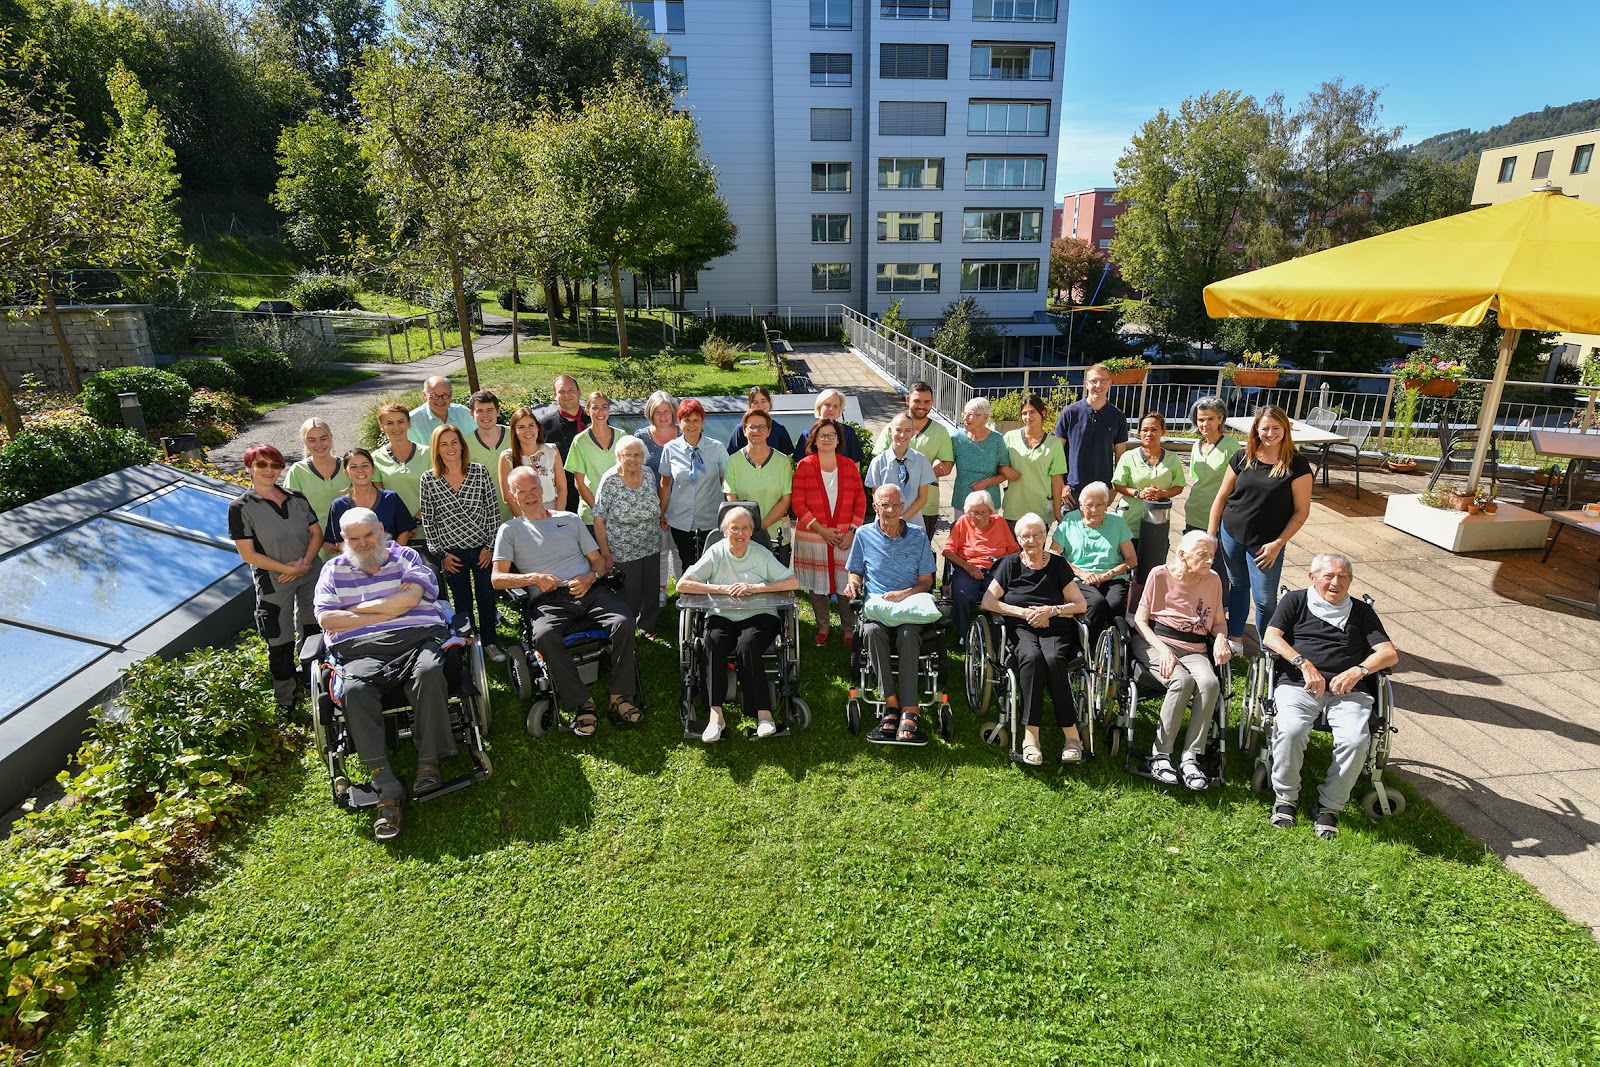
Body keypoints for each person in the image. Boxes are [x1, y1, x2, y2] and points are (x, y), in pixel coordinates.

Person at [314, 508, 453, 841]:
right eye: (353, 538)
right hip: (359, 650)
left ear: (381, 528)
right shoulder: (331, 570)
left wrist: (355, 611)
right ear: (342, 540)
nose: (363, 543)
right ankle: (386, 785)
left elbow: (409, 600)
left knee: (431, 670)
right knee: (353, 691)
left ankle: (428, 762)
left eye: (369, 535)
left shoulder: (406, 556)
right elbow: (327, 621)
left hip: (415, 637)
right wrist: (383, 609)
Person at [491, 470, 644, 736]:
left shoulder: (570, 519)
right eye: (522, 491)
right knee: (545, 636)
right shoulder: (510, 530)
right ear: (513, 496)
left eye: (533, 489)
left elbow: (597, 560)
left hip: (589, 590)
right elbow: (497, 578)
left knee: (624, 621)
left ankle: (619, 695)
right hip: (549, 599)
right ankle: (582, 703)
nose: (529, 496)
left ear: (543, 489)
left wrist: (590, 576)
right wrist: (533, 578)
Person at [1261, 552, 1399, 839]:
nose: (1335, 582)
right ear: (1313, 578)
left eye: (1343, 577)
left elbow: (1388, 653)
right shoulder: (1296, 601)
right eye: (1328, 576)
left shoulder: (1361, 612)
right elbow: (1271, 637)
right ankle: (1286, 798)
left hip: (1348, 691)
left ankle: (1329, 806)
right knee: (1290, 729)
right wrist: (1303, 664)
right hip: (1299, 683)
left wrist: (1358, 671)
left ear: (1350, 581)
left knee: (1355, 740)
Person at [676, 506, 801, 743]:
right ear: (725, 531)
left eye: (745, 528)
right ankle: (716, 716)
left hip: (759, 614)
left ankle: (764, 714)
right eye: (734, 528)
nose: (740, 533)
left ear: (752, 531)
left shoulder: (760, 554)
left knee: (748, 645)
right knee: (712, 642)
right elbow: (683, 584)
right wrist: (720, 589)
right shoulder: (715, 552)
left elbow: (791, 581)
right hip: (722, 613)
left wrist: (755, 588)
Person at [981, 513, 1090, 766]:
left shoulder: (1058, 565)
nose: (1031, 540)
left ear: (1045, 536)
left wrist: (1051, 610)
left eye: (1036, 535)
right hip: (1021, 627)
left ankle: (1071, 735)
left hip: (1055, 625)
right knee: (1031, 658)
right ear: (1018, 538)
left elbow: (1079, 603)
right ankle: (1031, 736)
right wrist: (1024, 613)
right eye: (1025, 536)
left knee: (1053, 659)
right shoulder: (1009, 564)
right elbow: (988, 601)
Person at [1128, 530, 1232, 791]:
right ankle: (1160, 755)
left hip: (1195, 647)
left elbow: (1218, 622)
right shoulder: (1160, 574)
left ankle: (1190, 757)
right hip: (1157, 641)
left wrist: (1220, 639)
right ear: (1183, 555)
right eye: (1203, 555)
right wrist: (1163, 650)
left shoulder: (1214, 579)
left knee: (1209, 684)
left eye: (1212, 555)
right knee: (1181, 681)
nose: (1209, 561)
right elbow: (1140, 620)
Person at [1207, 405, 1314, 655]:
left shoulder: (1297, 465)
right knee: (1237, 586)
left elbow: (1301, 512)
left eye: (1276, 428)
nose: (1270, 433)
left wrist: (1278, 544)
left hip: (1267, 544)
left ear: (1285, 430)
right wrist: (1210, 536)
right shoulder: (1242, 457)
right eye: (1265, 427)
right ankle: (1236, 639)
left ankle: (1270, 647)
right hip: (1232, 534)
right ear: (1256, 429)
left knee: (1265, 599)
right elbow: (1222, 497)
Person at [229, 443, 323, 713]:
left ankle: (314, 682)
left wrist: (304, 563)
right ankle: (286, 699)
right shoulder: (240, 508)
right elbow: (247, 554)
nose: (269, 470)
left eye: (274, 465)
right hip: (274, 583)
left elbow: (315, 533)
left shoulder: (296, 497)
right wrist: (287, 569)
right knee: (279, 640)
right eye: (261, 464)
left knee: (313, 629)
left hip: (309, 574)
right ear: (249, 468)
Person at [845, 484, 938, 744]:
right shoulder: (863, 535)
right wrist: (853, 583)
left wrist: (904, 593)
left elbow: (926, 581)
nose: (890, 510)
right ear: (875, 507)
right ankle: (891, 704)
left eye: (895, 505)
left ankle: (911, 709)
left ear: (903, 506)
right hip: (878, 607)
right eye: (884, 505)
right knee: (873, 631)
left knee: (908, 634)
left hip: (908, 606)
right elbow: (855, 571)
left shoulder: (918, 535)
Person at [417, 424, 502, 660]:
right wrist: (441, 554)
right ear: (437, 449)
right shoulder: (429, 480)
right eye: (444, 444)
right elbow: (430, 522)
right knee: (462, 601)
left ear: (461, 445)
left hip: (482, 549)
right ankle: (468, 643)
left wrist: (490, 546)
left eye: (454, 442)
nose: (450, 448)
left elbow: (493, 511)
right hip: (452, 553)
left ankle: (490, 642)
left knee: (486, 596)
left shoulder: (479, 472)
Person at [791, 417, 867, 647]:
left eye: (831, 435)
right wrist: (822, 530)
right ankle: (823, 625)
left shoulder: (847, 465)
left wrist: (852, 531)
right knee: (818, 586)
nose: (826, 439)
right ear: (814, 440)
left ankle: (848, 628)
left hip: (845, 536)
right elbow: (798, 503)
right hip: (813, 535)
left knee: (847, 586)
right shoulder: (805, 465)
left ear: (838, 440)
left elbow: (861, 501)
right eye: (822, 435)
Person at [1049, 482, 1136, 648]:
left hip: (1112, 576)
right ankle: (1086, 648)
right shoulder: (1070, 520)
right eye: (1089, 505)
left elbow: (1132, 559)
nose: (1095, 510)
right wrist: (1081, 572)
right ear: (1081, 505)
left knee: (1114, 604)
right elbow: (1053, 553)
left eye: (1100, 504)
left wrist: (1109, 574)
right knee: (1096, 603)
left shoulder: (1117, 522)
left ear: (1107, 504)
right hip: (1078, 578)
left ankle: (1118, 647)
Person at [590, 438, 663, 635]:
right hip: (623, 547)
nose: (633, 459)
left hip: (651, 543)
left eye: (637, 454)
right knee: (628, 591)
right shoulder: (610, 479)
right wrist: (605, 554)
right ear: (618, 456)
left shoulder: (648, 474)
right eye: (627, 455)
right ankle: (626, 629)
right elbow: (598, 518)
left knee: (650, 589)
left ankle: (647, 626)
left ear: (643, 457)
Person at [872, 381, 953, 538]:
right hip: (890, 507)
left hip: (926, 506)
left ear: (932, 402)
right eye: (917, 401)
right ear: (908, 400)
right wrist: (931, 465)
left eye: (926, 401)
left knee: (920, 553)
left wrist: (926, 469)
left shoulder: (940, 432)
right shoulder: (892, 428)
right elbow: (879, 463)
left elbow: (947, 467)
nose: (921, 405)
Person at [1112, 411, 1186, 581]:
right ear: (1139, 432)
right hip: (1130, 519)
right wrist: (1139, 493)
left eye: (1154, 429)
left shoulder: (1172, 459)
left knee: (1152, 568)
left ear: (1163, 431)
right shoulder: (1128, 457)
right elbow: (1117, 484)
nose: (1149, 434)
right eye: (1144, 430)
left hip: (1157, 520)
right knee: (1127, 568)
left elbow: (1179, 486)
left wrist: (1162, 494)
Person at [660, 399, 730, 570]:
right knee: (687, 563)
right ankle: (687, 596)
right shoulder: (670, 449)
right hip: (680, 519)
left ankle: (711, 596)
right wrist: (661, 513)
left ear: (702, 422)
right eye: (687, 420)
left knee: (711, 564)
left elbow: (727, 483)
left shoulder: (717, 448)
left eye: (696, 420)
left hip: (710, 518)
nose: (692, 425)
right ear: (679, 422)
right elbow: (665, 483)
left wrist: (729, 514)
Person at [942, 490, 1019, 641]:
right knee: (962, 594)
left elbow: (1014, 549)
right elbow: (947, 551)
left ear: (991, 511)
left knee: (1004, 594)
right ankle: (964, 636)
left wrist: (1004, 566)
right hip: (967, 567)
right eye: (974, 512)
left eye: (984, 512)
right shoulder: (962, 522)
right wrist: (969, 567)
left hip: (996, 568)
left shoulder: (1000, 522)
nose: (980, 517)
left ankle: (1001, 635)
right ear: (968, 512)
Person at [1054, 363, 1129, 513]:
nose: (1098, 385)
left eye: (1103, 380)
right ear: (1087, 384)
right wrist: (1062, 486)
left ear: (1110, 383)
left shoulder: (1117, 416)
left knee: (1097, 535)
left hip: (1102, 491)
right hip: (1072, 491)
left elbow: (1121, 458)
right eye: (1094, 381)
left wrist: (1114, 489)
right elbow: (1056, 454)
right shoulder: (1070, 413)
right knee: (1069, 535)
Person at [723, 409, 793, 564]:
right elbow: (731, 496)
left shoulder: (782, 461)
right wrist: (746, 527)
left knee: (776, 584)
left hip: (777, 535)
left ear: (769, 431)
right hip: (742, 535)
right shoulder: (734, 461)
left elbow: (785, 499)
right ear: (744, 430)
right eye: (751, 426)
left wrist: (760, 526)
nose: (756, 431)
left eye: (762, 427)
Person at [635, 389, 680, 608]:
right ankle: (661, 590)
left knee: (680, 550)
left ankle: (684, 588)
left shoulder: (685, 434)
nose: (663, 416)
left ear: (673, 412)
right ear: (650, 414)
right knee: (659, 550)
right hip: (652, 506)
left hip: (682, 504)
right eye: (658, 412)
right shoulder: (641, 437)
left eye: (667, 411)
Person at [283, 417, 351, 556]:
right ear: (304, 441)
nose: (319, 444)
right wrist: (320, 542)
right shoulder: (297, 472)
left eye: (323, 438)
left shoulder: (349, 466)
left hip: (351, 543)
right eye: (312, 440)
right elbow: (292, 513)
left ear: (331, 437)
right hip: (313, 548)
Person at [325, 448, 417, 549]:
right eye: (353, 467)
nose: (360, 470)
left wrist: (393, 558)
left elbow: (404, 531)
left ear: (373, 469)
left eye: (365, 465)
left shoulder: (391, 498)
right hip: (357, 563)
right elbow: (340, 542)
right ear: (346, 473)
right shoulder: (339, 505)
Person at [1003, 394, 1067, 523]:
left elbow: (1056, 480)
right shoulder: (1010, 437)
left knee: (1036, 544)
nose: (1028, 417)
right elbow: (998, 464)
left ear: (1042, 413)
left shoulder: (1054, 444)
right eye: (1024, 413)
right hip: (1013, 509)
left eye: (1032, 412)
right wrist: (1004, 469)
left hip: (1041, 511)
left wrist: (1057, 511)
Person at [565, 390, 622, 533]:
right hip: (591, 516)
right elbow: (579, 482)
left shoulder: (622, 436)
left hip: (620, 513)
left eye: (604, 407)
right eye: (595, 407)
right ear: (587, 411)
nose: (600, 411)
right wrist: (598, 510)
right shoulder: (580, 441)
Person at [865, 413, 937, 523]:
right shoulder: (878, 462)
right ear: (890, 431)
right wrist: (891, 518)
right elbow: (876, 496)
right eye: (898, 430)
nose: (902, 435)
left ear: (913, 432)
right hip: (885, 522)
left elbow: (923, 498)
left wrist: (902, 520)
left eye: (908, 430)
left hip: (913, 523)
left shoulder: (921, 461)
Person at [950, 396, 1018, 511]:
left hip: (988, 502)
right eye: (964, 414)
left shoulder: (997, 439)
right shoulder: (957, 438)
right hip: (962, 500)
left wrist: (987, 482)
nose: (966, 418)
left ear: (985, 417)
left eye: (970, 414)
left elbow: (1006, 472)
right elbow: (946, 462)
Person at [1184, 397, 1240, 534]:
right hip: (1194, 513)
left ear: (1221, 419)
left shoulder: (1232, 447)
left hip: (1220, 516)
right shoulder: (1196, 446)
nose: (1205, 424)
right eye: (1201, 420)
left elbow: (1240, 484)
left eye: (1211, 419)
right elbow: (1197, 479)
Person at [499, 406, 567, 516]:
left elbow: (562, 488)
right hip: (524, 514)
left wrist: (558, 516)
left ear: (538, 428)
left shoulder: (552, 451)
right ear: (515, 431)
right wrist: (526, 521)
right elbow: (507, 497)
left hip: (552, 511)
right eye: (521, 427)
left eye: (531, 425)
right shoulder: (507, 458)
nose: (527, 431)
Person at [372, 403, 430, 522]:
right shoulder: (375, 458)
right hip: (395, 531)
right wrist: (402, 527)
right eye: (389, 423)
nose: (396, 427)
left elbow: (436, 492)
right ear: (382, 427)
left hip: (427, 528)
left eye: (401, 421)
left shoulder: (428, 453)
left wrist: (416, 520)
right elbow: (379, 498)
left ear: (409, 423)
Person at [537, 374, 590, 504]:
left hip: (594, 493)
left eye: (571, 390)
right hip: (561, 499)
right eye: (561, 392)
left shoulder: (595, 420)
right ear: (555, 396)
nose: (567, 395)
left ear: (579, 392)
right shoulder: (544, 426)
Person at [465, 389, 511, 519]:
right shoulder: (465, 444)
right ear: (472, 414)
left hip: (518, 512)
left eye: (490, 410)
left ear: (498, 412)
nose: (485, 415)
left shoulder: (514, 435)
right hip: (483, 516)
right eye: (479, 411)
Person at [796, 388, 865, 466]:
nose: (831, 409)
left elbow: (855, 464)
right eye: (827, 405)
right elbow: (800, 466)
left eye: (835, 406)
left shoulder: (848, 433)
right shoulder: (807, 434)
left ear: (839, 410)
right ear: (819, 407)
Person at [726, 385, 796, 456]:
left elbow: (788, 458)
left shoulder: (779, 429)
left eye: (763, 401)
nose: (760, 405)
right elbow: (730, 457)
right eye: (755, 402)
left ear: (769, 402)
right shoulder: (741, 429)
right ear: (750, 405)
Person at [408, 375, 474, 447]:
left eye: (445, 395)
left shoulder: (464, 414)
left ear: (451, 395)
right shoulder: (412, 422)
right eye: (434, 395)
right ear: (424, 395)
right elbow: (413, 456)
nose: (440, 400)